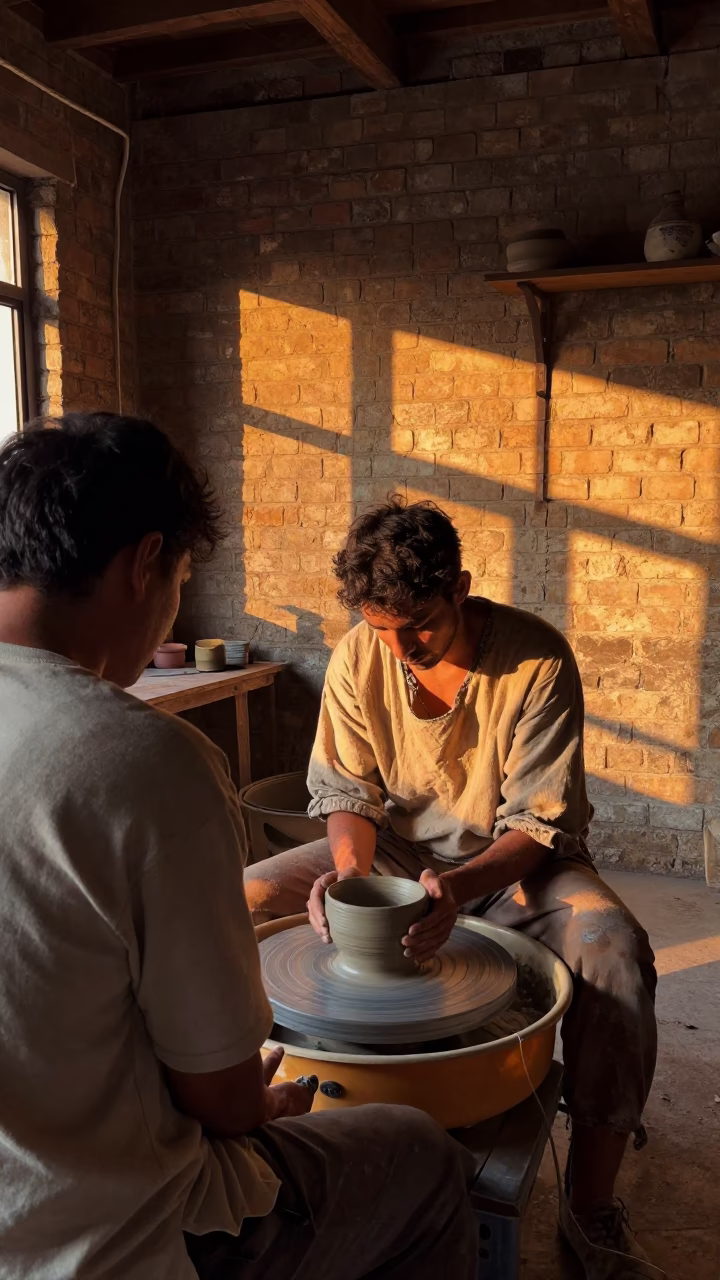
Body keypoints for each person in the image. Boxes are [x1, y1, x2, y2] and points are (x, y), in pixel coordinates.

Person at [0, 417, 478, 1280]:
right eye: (182, 577)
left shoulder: (532, 659)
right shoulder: (148, 760)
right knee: (422, 1155)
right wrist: (257, 1104)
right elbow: (220, 1099)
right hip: (95, 1241)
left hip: (477, 867)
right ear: (146, 563)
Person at [245, 499, 661, 1280]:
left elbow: (539, 825)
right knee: (237, 901)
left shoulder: (534, 661)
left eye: (422, 627)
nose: (401, 649)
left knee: (614, 955)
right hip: (395, 856)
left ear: (461, 588)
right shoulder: (359, 655)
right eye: (381, 628)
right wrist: (348, 873)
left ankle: (593, 1204)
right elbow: (346, 793)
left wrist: (459, 886)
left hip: (514, 867)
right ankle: (221, 1135)